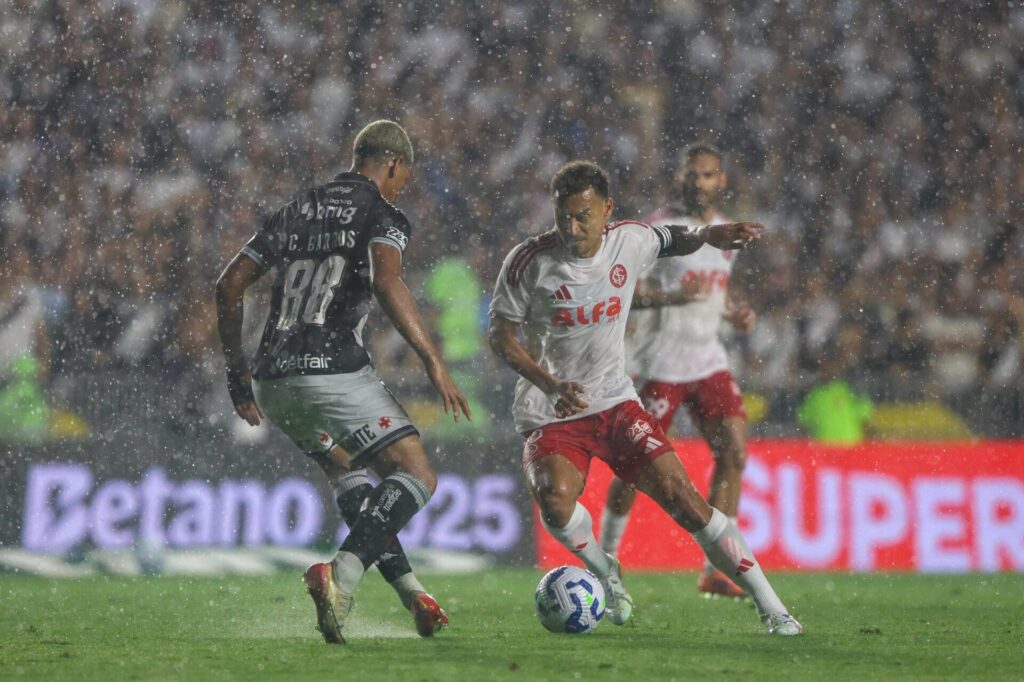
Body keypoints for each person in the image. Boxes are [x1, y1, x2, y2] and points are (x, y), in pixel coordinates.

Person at [487, 160, 802, 635]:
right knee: (554, 503)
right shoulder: (528, 262)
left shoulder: (630, 240)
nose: (572, 228)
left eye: (583, 217)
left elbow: (673, 237)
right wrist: (549, 383)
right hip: (552, 409)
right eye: (563, 217)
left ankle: (773, 609)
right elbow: (500, 335)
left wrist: (711, 236)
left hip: (614, 401)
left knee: (686, 502)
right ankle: (604, 570)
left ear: (607, 209)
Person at [215, 120, 472, 644]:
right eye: (404, 177)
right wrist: (431, 358)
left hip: (273, 379)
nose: (403, 187)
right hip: (331, 368)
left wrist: (237, 376)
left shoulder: (297, 208)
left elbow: (228, 285)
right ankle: (343, 575)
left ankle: (412, 593)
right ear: (394, 165)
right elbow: (385, 279)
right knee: (417, 475)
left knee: (351, 475)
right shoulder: (382, 211)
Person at [601, 143, 757, 598]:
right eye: (692, 175)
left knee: (734, 455)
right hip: (660, 362)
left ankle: (716, 569)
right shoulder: (658, 229)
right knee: (632, 467)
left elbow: (715, 291)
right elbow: (623, 287)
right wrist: (670, 298)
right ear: (680, 178)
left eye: (707, 175)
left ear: (720, 180)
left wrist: (734, 313)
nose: (699, 183)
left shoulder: (727, 235)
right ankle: (607, 560)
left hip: (707, 358)